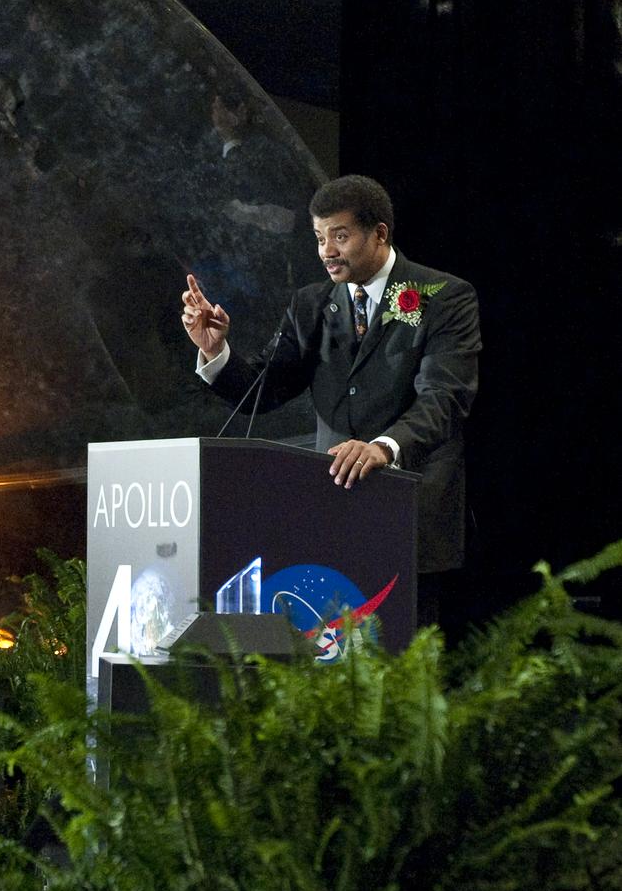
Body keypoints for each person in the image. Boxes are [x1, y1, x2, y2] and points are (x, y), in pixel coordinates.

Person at [181, 174, 481, 591]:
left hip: (410, 511)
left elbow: (445, 397)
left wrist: (383, 447)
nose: (327, 251)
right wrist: (216, 350)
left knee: (405, 652)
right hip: (331, 514)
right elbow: (264, 390)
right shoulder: (311, 303)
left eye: (340, 236)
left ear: (379, 234)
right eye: (320, 237)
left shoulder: (444, 297)